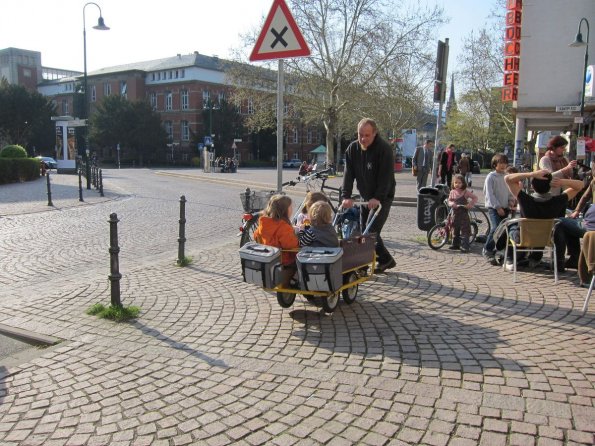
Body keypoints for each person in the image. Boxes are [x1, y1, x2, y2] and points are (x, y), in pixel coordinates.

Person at [341, 118, 396, 273]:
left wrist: (378, 197)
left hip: (383, 196)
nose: (363, 139)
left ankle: (365, 263)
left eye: (367, 135)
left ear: (374, 133)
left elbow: (386, 177)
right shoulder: (352, 149)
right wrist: (346, 196)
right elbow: (348, 174)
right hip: (365, 195)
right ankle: (385, 260)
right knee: (363, 230)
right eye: (360, 135)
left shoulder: (384, 150)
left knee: (371, 231)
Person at [504, 169, 583, 272]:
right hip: (546, 238)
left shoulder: (524, 199)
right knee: (560, 226)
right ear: (550, 186)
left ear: (532, 186)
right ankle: (547, 260)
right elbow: (580, 185)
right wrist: (562, 182)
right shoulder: (558, 201)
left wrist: (531, 174)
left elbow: (507, 179)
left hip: (525, 237)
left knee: (512, 225)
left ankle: (510, 259)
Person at [253, 194, 299, 287]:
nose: (292, 209)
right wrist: (298, 238)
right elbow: (291, 245)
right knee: (300, 259)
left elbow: (256, 236)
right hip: (283, 260)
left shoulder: (263, 223)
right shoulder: (283, 227)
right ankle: (295, 280)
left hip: (269, 258)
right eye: (290, 207)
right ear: (285, 210)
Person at [482, 153, 513, 263]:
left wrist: (511, 201)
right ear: (495, 164)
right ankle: (487, 249)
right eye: (500, 163)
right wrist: (497, 207)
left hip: (505, 207)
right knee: (496, 228)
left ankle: (499, 250)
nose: (503, 165)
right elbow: (489, 194)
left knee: (504, 230)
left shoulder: (506, 176)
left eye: (505, 163)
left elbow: (509, 191)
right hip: (494, 208)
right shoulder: (491, 177)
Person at [447, 174, 478, 253]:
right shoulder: (452, 192)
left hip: (463, 215)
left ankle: (465, 246)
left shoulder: (466, 192)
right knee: (455, 228)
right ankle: (455, 244)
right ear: (453, 183)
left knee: (464, 230)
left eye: (459, 183)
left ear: (463, 183)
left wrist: (470, 204)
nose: (457, 184)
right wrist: (451, 204)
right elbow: (449, 201)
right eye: (455, 183)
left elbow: (475, 198)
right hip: (455, 214)